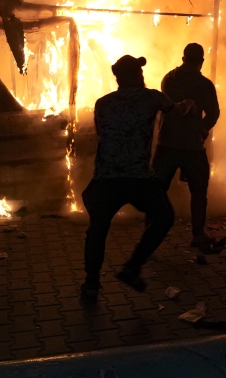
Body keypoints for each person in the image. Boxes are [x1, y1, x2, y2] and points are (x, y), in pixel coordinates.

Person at [80, 55, 194, 305]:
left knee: (97, 231)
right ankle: (132, 267)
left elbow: (102, 133)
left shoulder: (102, 103)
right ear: (137, 76)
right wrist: (189, 103)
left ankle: (91, 284)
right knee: (163, 218)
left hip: (106, 179)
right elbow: (177, 111)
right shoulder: (152, 97)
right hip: (138, 178)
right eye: (140, 73)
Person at [153, 43, 223, 254]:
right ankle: (198, 235)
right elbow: (214, 113)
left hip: (167, 144)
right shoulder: (204, 85)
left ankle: (152, 235)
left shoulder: (168, 79)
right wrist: (201, 129)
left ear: (183, 58)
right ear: (201, 61)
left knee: (156, 190)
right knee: (199, 192)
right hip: (192, 146)